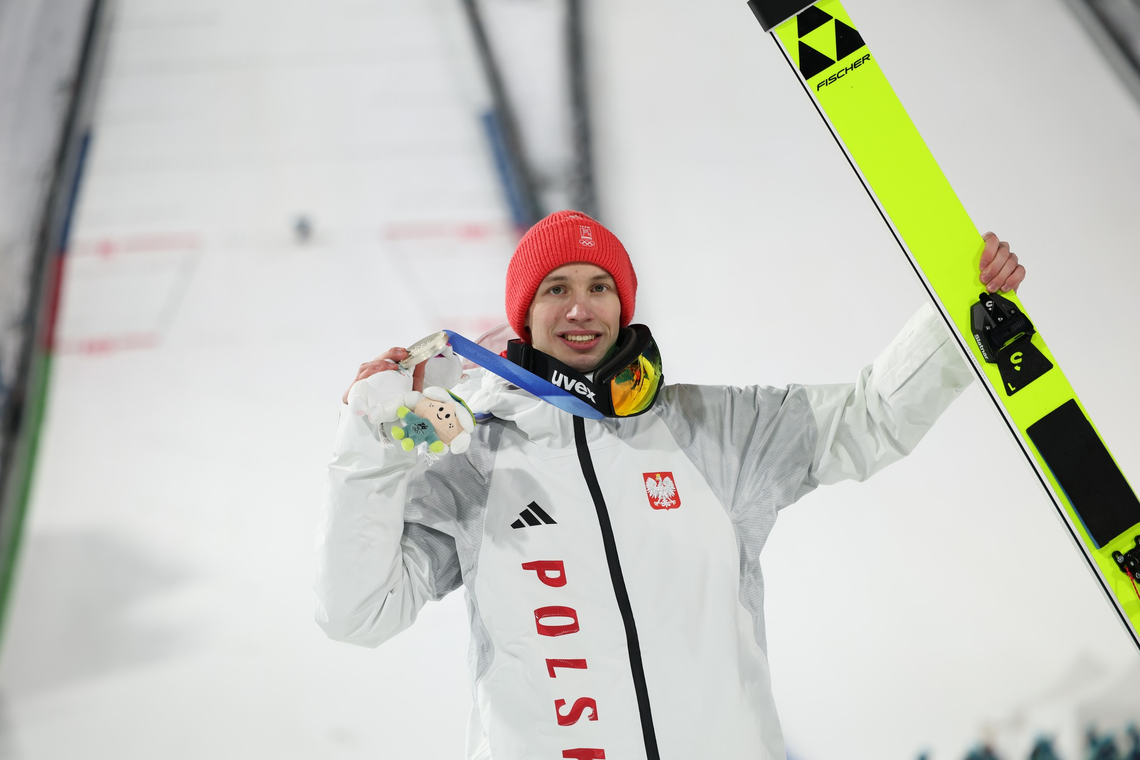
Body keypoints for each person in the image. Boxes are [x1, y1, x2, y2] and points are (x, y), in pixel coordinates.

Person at [315, 210, 1026, 760]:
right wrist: (372, 448)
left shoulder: (718, 430)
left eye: (599, 288)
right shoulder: (478, 457)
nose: (579, 308)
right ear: (524, 315)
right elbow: (358, 612)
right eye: (555, 289)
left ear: (623, 307)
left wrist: (957, 318)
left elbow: (869, 417)